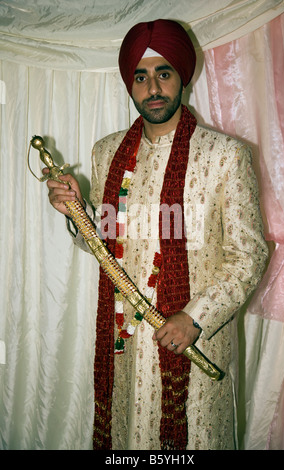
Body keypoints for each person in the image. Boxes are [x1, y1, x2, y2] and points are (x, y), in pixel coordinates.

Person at [45, 19, 268, 450]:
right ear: (130, 84)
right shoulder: (108, 152)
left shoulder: (225, 156)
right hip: (126, 344)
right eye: (141, 77)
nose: (153, 88)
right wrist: (77, 211)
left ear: (183, 75)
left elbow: (249, 255)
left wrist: (195, 318)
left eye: (163, 73)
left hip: (194, 343)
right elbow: (106, 243)